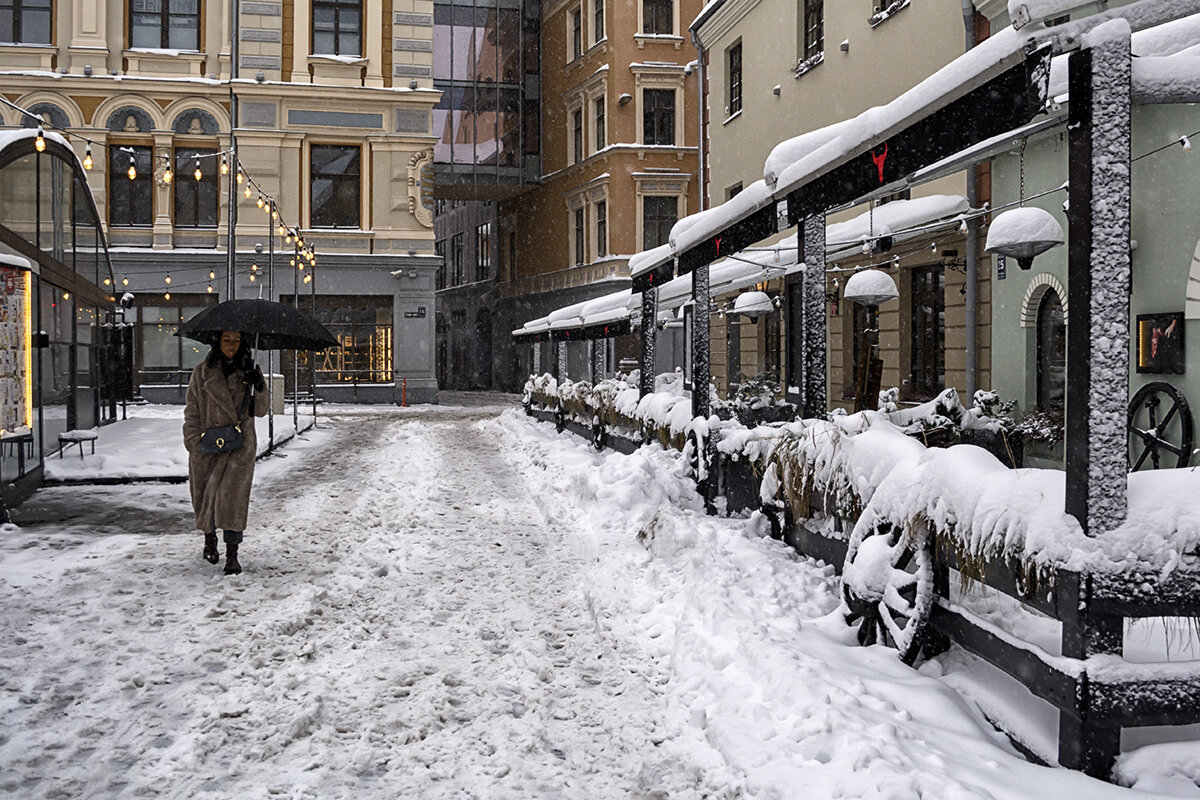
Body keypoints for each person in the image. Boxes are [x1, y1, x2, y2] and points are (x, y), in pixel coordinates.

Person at [182, 331, 269, 575]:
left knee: (233, 501)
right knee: (205, 496)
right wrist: (193, 441)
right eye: (227, 340)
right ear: (218, 342)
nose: (231, 345)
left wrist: (258, 386)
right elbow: (192, 410)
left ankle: (233, 555)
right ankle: (209, 539)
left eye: (236, 340)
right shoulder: (202, 372)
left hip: (239, 447)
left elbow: (261, 410)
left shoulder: (250, 371)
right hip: (207, 446)